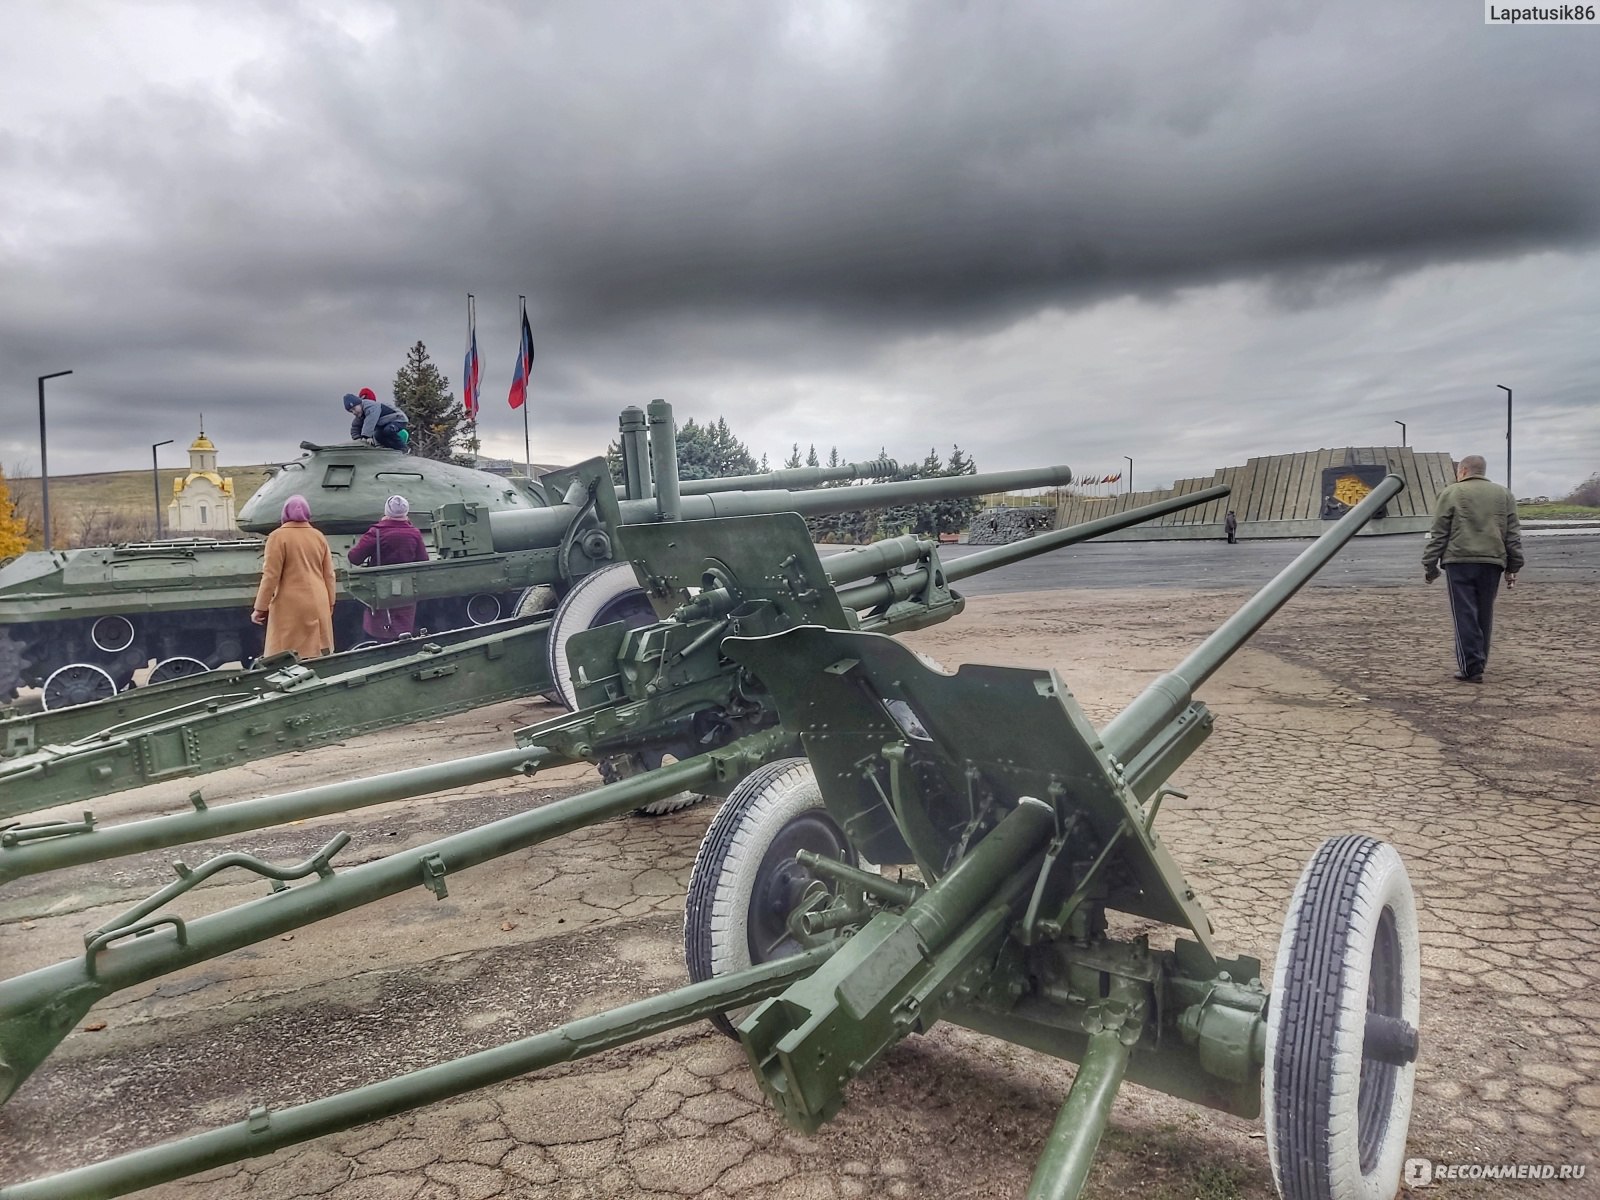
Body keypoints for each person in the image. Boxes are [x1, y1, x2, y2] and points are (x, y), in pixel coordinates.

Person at [1422, 455, 1523, 683]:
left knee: (1464, 613)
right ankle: (1479, 662)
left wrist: (1430, 565)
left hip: (1460, 561)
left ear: (1463, 471)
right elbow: (1513, 534)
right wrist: (1513, 565)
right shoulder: (1504, 494)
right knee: (1484, 612)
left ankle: (1470, 667)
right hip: (1492, 561)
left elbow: (1439, 533)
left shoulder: (1451, 493)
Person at [252, 495, 337, 659]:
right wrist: (330, 602)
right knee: (317, 654)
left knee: (287, 657)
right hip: (319, 600)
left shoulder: (277, 537)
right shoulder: (319, 536)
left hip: (290, 606)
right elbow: (329, 574)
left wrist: (260, 608)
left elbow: (271, 576)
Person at [347, 494, 431, 640]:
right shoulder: (414, 533)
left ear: (387, 511)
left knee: (379, 630)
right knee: (402, 630)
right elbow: (423, 560)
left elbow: (354, 558)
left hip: (380, 590)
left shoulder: (376, 532)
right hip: (406, 590)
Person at [343, 390, 411, 452]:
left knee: (388, 430)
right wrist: (359, 440)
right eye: (351, 411)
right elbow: (356, 427)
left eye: (354, 409)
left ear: (359, 403)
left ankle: (404, 448)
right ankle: (390, 449)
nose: (354, 412)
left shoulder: (370, 406)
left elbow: (371, 420)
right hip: (385, 423)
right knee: (378, 435)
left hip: (398, 419)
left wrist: (366, 436)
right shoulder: (361, 415)